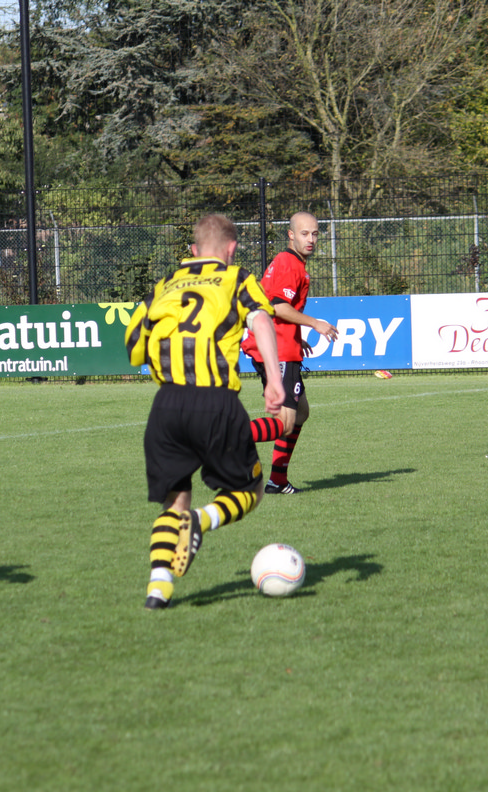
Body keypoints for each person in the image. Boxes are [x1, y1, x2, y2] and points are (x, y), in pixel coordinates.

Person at [125, 214, 285, 610]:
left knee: (174, 500)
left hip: (166, 405)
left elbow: (134, 349)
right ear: (231, 249)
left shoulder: (164, 284)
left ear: (193, 250)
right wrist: (274, 378)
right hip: (215, 401)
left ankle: (157, 590)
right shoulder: (237, 278)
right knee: (250, 490)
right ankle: (202, 520)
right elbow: (262, 320)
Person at [241, 211, 339, 494]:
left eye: (315, 234)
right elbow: (278, 306)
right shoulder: (288, 262)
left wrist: (297, 336)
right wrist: (314, 324)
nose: (311, 239)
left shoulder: (293, 262)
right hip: (277, 351)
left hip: (283, 345)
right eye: (305, 233)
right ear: (291, 235)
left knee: (301, 412)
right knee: (285, 423)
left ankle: (277, 480)